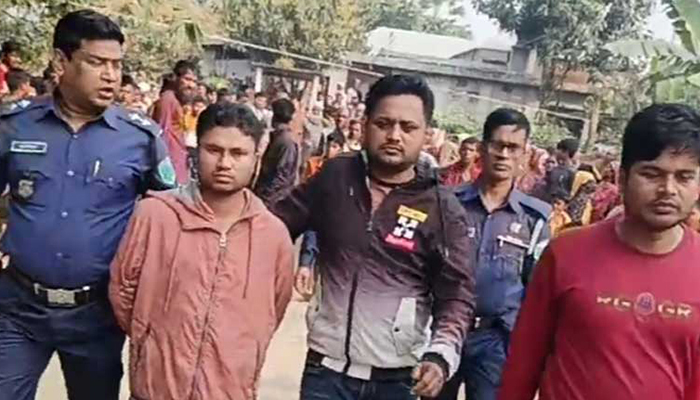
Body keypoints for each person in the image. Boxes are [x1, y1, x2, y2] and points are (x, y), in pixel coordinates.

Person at [0, 10, 176, 400]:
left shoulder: (140, 139)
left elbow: (172, 221)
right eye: (97, 63)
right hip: (18, 308)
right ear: (61, 62)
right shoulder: (13, 126)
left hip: (96, 315)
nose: (111, 76)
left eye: (117, 64)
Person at [272, 74, 476, 400]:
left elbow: (457, 293)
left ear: (426, 134)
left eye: (408, 127)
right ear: (366, 125)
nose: (394, 135)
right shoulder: (336, 176)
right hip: (325, 373)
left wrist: (440, 355)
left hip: (397, 380)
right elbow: (275, 228)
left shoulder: (441, 206)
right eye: (384, 123)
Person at [498, 103, 700, 400]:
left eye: (684, 177)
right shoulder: (565, 254)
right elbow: (522, 364)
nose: (668, 189)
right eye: (652, 174)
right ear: (622, 179)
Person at [109, 103, 294, 400]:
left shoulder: (273, 236)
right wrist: (152, 340)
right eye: (214, 150)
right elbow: (123, 291)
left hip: (229, 391)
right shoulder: (155, 215)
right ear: (197, 152)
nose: (224, 163)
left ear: (256, 160)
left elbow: (274, 308)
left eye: (238, 153)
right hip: (156, 388)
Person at [438, 108, 551, 400]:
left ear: (524, 155)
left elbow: (537, 289)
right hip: (443, 332)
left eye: (513, 148)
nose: (504, 155)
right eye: (497, 145)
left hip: (496, 341)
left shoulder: (534, 219)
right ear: (482, 148)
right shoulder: (448, 204)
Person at [152, 59, 198, 185]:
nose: (191, 85)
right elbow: (162, 135)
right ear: (176, 78)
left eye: (194, 81)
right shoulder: (168, 100)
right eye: (187, 79)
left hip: (178, 164)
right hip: (170, 169)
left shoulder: (176, 102)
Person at [254, 98, 299, 206]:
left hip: (274, 200)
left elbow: (282, 175)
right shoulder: (278, 138)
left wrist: (266, 198)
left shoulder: (286, 141)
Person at [543, 138, 579, 202]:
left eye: (559, 150)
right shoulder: (557, 167)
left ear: (566, 152)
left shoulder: (570, 172)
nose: (556, 152)